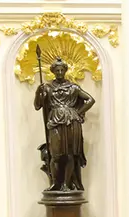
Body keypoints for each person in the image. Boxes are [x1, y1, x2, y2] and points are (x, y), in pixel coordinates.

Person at [33, 57, 94, 192]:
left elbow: (90, 100)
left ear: (65, 71)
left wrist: (78, 112)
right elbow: (38, 105)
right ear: (53, 72)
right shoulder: (47, 87)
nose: (60, 72)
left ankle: (66, 184)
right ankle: (56, 183)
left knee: (70, 154)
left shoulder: (73, 87)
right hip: (55, 121)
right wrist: (39, 92)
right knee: (55, 155)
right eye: (57, 70)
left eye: (62, 70)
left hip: (71, 122)